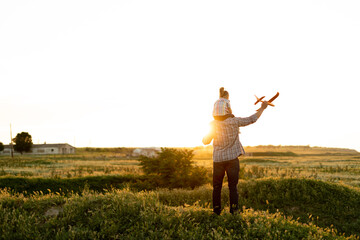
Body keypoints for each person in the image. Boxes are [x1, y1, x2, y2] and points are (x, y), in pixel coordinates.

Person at [203, 95, 269, 215]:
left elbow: (205, 141)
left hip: (218, 160)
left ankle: (216, 211)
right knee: (233, 187)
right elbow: (252, 119)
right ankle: (234, 211)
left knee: (217, 187)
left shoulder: (213, 124)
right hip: (232, 160)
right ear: (227, 109)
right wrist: (262, 108)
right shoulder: (234, 121)